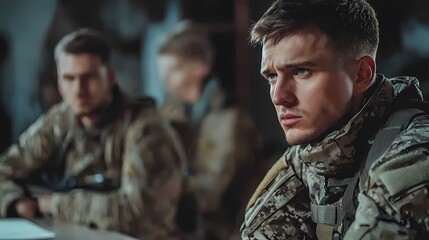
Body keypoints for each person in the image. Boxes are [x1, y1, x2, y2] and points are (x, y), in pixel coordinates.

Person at [241, 0, 429, 239]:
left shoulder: (416, 153)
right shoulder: (311, 155)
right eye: (271, 77)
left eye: (301, 71)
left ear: (362, 74)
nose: (279, 97)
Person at [0, 28, 185, 240]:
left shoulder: (145, 127)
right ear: (59, 85)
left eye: (89, 78)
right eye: (69, 79)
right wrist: (14, 201)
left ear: (110, 78)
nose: (79, 90)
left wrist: (52, 203)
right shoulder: (60, 120)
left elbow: (142, 215)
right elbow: (4, 169)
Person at [157, 22, 261, 239]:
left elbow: (211, 195)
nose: (165, 80)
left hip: (225, 229)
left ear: (200, 68)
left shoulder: (229, 121)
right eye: (162, 72)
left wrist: (158, 195)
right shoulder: (174, 114)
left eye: (173, 70)